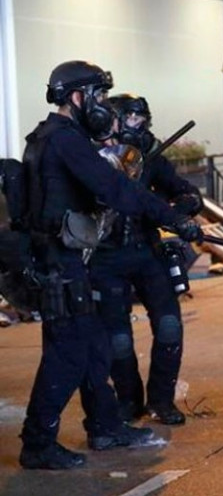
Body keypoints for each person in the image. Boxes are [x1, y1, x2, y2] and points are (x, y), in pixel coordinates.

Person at [18, 61, 202, 470]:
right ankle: (37, 442)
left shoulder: (52, 137)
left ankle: (104, 426)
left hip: (65, 261)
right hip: (61, 264)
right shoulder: (65, 140)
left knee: (93, 347)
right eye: (99, 96)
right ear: (78, 97)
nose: (103, 106)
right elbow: (116, 189)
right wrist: (175, 220)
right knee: (66, 354)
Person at [89, 93, 203, 425]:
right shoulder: (93, 155)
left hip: (147, 252)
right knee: (118, 338)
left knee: (169, 326)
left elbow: (186, 192)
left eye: (144, 120)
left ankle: (161, 400)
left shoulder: (150, 156)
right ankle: (128, 400)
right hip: (106, 258)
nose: (140, 126)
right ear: (115, 120)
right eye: (133, 120)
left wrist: (177, 212)